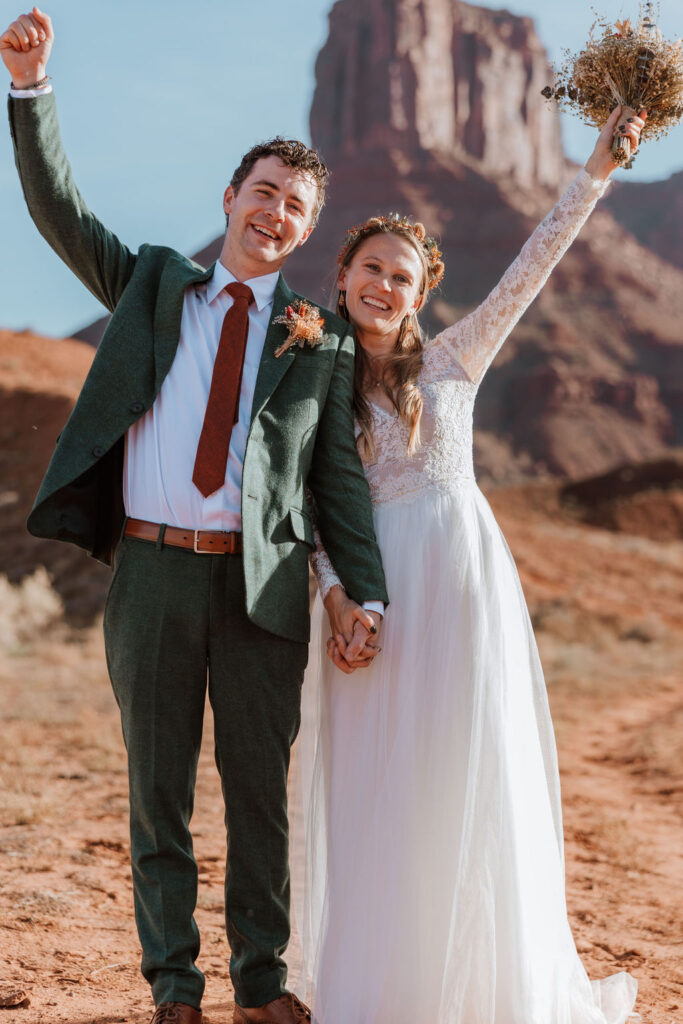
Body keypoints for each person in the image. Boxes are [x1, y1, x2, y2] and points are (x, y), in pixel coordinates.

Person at [1, 8, 389, 1024]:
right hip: (152, 573)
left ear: (306, 230)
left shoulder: (322, 343)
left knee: (257, 795)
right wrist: (33, 90)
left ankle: (262, 986)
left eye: (294, 206)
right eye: (262, 192)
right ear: (230, 197)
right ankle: (174, 988)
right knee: (157, 792)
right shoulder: (151, 283)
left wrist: (365, 593)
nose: (274, 214)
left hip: (258, 589)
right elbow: (60, 210)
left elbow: (334, 491)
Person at [290, 106, 646, 1023]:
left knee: (466, 772)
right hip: (371, 600)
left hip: (460, 587)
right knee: (378, 788)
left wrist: (597, 167)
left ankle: (489, 990)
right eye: (369, 267)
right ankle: (385, 991)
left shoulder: (455, 360)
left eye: (400, 277)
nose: (382, 284)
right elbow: (315, 508)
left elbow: (536, 262)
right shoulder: (310, 378)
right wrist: (335, 599)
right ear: (341, 275)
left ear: (420, 294)